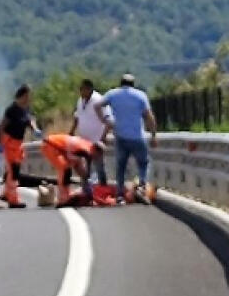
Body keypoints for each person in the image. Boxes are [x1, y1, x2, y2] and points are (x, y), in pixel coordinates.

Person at [94, 73, 157, 204]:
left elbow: (97, 105)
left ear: (120, 83)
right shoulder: (140, 95)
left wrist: (105, 120)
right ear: (133, 84)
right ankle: (142, 187)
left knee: (121, 166)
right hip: (137, 136)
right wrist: (153, 135)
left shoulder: (113, 94)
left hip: (120, 136)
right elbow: (149, 116)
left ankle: (120, 195)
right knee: (144, 163)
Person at [0, 85, 39, 209]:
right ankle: (13, 200)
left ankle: (6, 193)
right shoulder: (12, 109)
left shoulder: (25, 109)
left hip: (18, 143)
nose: (29, 98)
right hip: (9, 141)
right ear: (21, 96)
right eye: (27, 96)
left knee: (15, 167)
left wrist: (35, 129)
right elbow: (1, 126)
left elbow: (30, 120)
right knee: (13, 171)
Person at [40, 133, 104, 206]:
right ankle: (62, 199)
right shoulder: (87, 151)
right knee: (64, 169)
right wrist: (86, 181)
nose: (97, 157)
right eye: (98, 155)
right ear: (96, 150)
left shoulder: (87, 146)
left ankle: (66, 196)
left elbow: (78, 163)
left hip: (58, 147)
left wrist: (84, 177)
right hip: (50, 145)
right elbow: (84, 169)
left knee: (68, 168)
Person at [70, 79, 111, 185]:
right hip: (84, 141)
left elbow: (108, 120)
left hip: (96, 140)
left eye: (82, 89)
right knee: (85, 166)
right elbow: (77, 117)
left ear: (89, 89)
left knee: (99, 166)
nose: (80, 92)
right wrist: (71, 131)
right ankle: (87, 190)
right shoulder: (80, 100)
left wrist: (103, 137)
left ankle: (103, 188)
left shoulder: (99, 100)